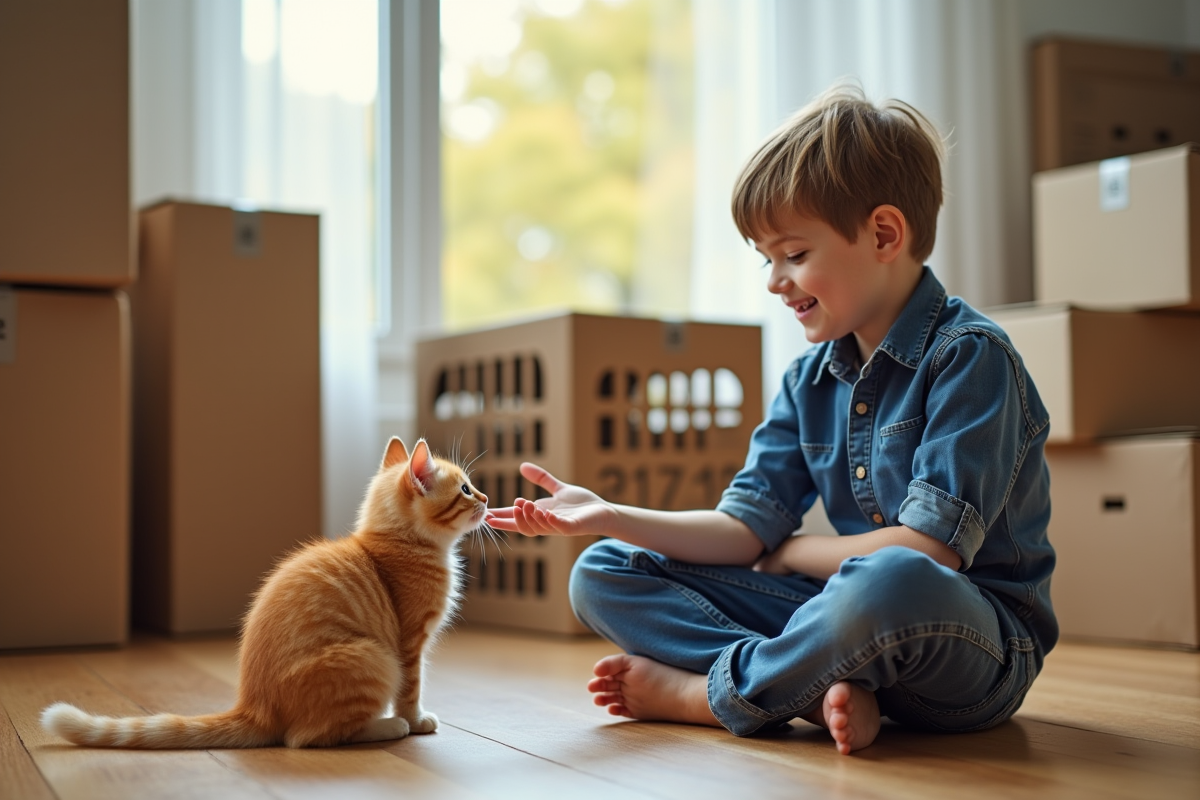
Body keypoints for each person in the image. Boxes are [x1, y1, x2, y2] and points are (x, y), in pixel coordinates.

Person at [485, 83, 1055, 756]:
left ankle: (707, 696)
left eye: (793, 254)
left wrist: (792, 555)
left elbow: (928, 553)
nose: (774, 281)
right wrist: (610, 514)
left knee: (888, 579)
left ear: (883, 234)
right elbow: (740, 530)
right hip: (840, 624)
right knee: (604, 570)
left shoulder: (971, 358)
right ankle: (812, 689)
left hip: (967, 645)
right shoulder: (806, 380)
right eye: (765, 258)